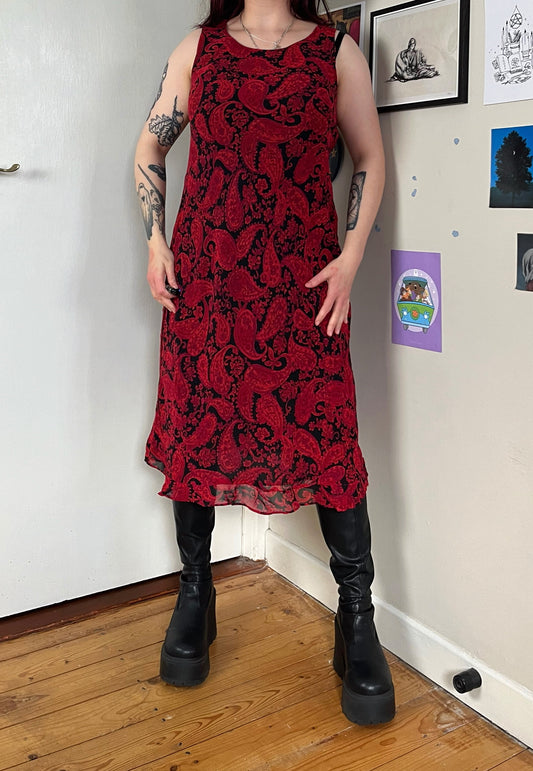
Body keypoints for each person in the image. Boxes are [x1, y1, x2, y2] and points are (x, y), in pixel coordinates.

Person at [134, 0, 394, 726]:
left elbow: (370, 158)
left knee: (328, 439)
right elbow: (150, 146)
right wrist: (156, 242)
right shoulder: (200, 49)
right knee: (198, 430)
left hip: (307, 289)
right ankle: (196, 594)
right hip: (208, 284)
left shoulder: (334, 51)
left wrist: (351, 257)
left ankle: (356, 619)